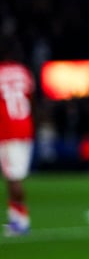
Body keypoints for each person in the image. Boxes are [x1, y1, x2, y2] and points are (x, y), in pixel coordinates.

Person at [0, 37, 36, 237]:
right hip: (25, 128)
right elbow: (32, 99)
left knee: (13, 176)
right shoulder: (24, 72)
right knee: (13, 174)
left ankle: (21, 222)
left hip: (7, 130)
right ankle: (15, 218)